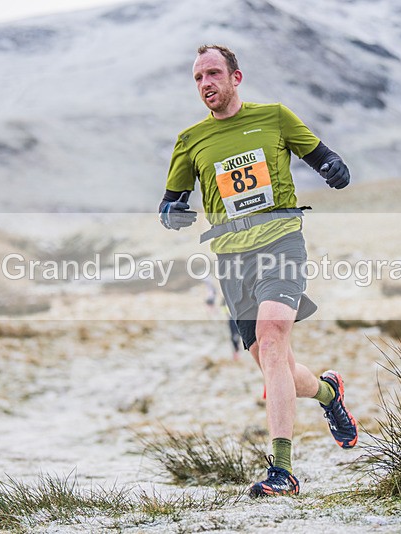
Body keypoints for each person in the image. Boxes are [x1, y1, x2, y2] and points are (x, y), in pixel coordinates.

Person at [159, 44, 358, 498]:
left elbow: (320, 153)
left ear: (236, 78)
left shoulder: (274, 117)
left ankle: (282, 471)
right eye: (197, 78)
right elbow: (170, 203)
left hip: (280, 244)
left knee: (271, 338)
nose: (205, 83)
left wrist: (333, 168)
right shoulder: (191, 141)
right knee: (274, 364)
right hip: (231, 260)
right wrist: (173, 214)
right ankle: (328, 393)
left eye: (213, 73)